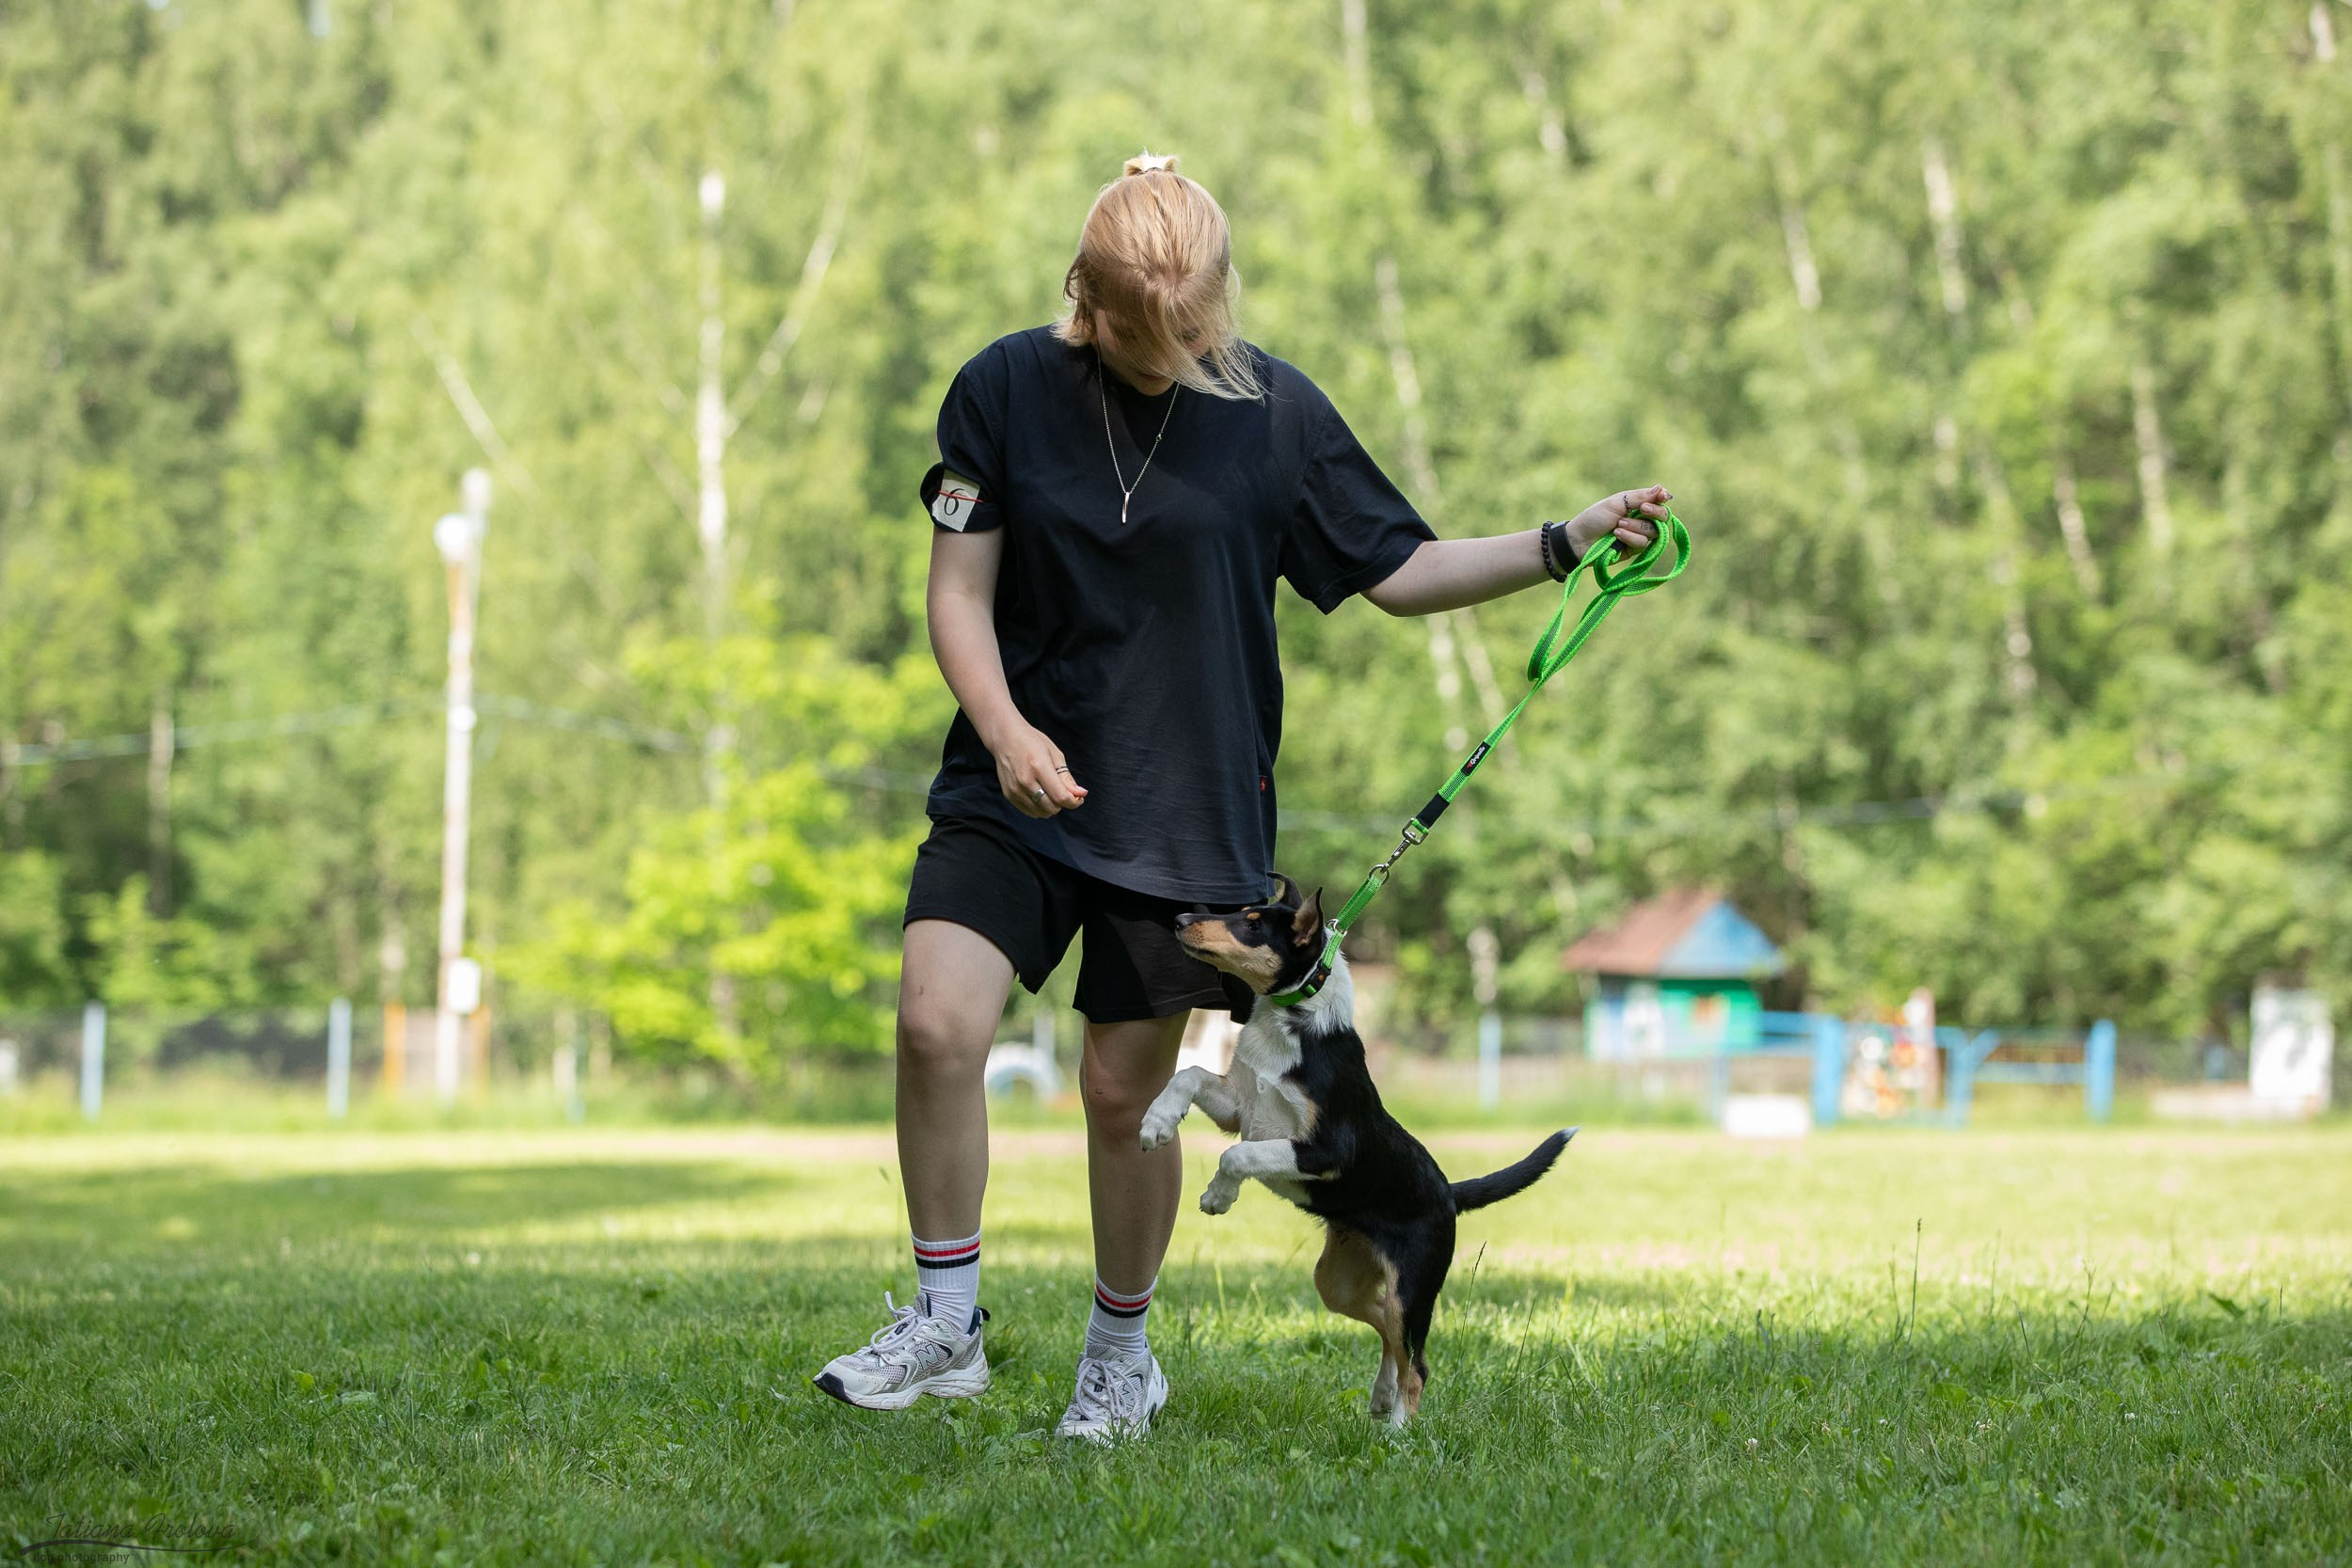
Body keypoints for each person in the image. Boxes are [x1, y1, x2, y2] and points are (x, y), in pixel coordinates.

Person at [813, 151, 1671, 1439]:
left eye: (1197, 334)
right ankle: (947, 1323)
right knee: (938, 1023)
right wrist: (1001, 730)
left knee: (1122, 1094)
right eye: (1151, 343)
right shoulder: (1001, 389)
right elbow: (958, 592)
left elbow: (1400, 567)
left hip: (1187, 820)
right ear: (1086, 307)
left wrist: (1561, 541)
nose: (1180, 361)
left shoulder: (1275, 411)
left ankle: (1121, 1355)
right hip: (1018, 777)